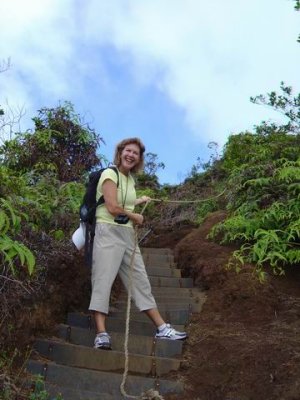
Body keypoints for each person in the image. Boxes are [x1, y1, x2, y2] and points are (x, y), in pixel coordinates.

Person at [88, 137, 187, 349]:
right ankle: (101, 333)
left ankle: (162, 328)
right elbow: (113, 206)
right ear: (120, 152)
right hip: (108, 231)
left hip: (127, 236)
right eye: (128, 151)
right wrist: (136, 217)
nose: (131, 155)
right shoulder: (109, 174)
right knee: (103, 279)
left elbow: (125, 201)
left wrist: (139, 201)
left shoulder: (130, 180)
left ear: (139, 159)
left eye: (136, 153)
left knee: (140, 279)